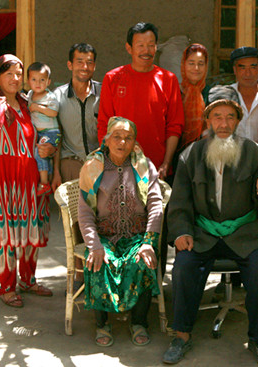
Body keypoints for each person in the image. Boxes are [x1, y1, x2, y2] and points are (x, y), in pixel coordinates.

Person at [162, 99, 258, 367]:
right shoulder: (190, 155)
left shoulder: (255, 154)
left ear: (237, 121)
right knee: (183, 266)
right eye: (217, 117)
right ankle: (181, 336)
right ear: (208, 122)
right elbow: (179, 202)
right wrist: (180, 232)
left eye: (229, 117)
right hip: (203, 232)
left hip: (244, 232)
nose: (223, 124)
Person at [0, 28, 52, 308]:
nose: (15, 79)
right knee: (8, 236)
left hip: (30, 175)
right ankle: (7, 286)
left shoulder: (29, 103)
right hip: (3, 177)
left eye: (19, 73)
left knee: (29, 231)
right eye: (9, 74)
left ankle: (28, 281)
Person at [77, 116, 163, 347]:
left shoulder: (144, 166)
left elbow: (156, 205)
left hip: (137, 236)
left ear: (135, 143)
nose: (122, 142)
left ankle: (139, 322)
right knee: (99, 261)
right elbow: (84, 212)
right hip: (104, 236)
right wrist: (94, 245)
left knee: (143, 262)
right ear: (106, 139)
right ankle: (102, 323)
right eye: (117, 136)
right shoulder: (92, 167)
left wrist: (148, 242)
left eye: (128, 138)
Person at [98, 22, 184, 179]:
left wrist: (166, 163)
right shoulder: (113, 78)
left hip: (157, 169)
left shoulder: (168, 79)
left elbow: (174, 126)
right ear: (129, 48)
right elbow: (104, 124)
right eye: (140, 45)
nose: (146, 51)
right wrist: (111, 163)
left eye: (151, 45)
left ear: (156, 47)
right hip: (120, 168)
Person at [51, 43, 101, 189]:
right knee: (72, 212)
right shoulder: (57, 97)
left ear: (94, 66)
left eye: (89, 63)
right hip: (70, 165)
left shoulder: (104, 93)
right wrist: (56, 173)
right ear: (70, 65)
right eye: (79, 62)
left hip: (100, 166)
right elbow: (56, 137)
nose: (84, 67)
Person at [222, 46, 258, 143]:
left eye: (253, 67)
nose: (248, 73)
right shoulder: (224, 96)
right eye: (242, 67)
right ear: (235, 70)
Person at [27, 61, 60, 196]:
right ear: (28, 81)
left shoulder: (50, 96)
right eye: (34, 79)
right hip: (40, 132)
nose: (38, 83)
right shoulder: (29, 95)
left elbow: (54, 112)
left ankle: (44, 182)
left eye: (42, 80)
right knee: (41, 155)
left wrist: (38, 108)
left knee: (39, 153)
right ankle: (49, 174)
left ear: (48, 82)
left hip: (50, 132)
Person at [178, 43, 208, 150]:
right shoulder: (174, 92)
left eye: (201, 64)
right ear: (183, 64)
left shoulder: (211, 93)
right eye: (191, 63)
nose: (196, 68)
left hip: (203, 152)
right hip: (175, 150)